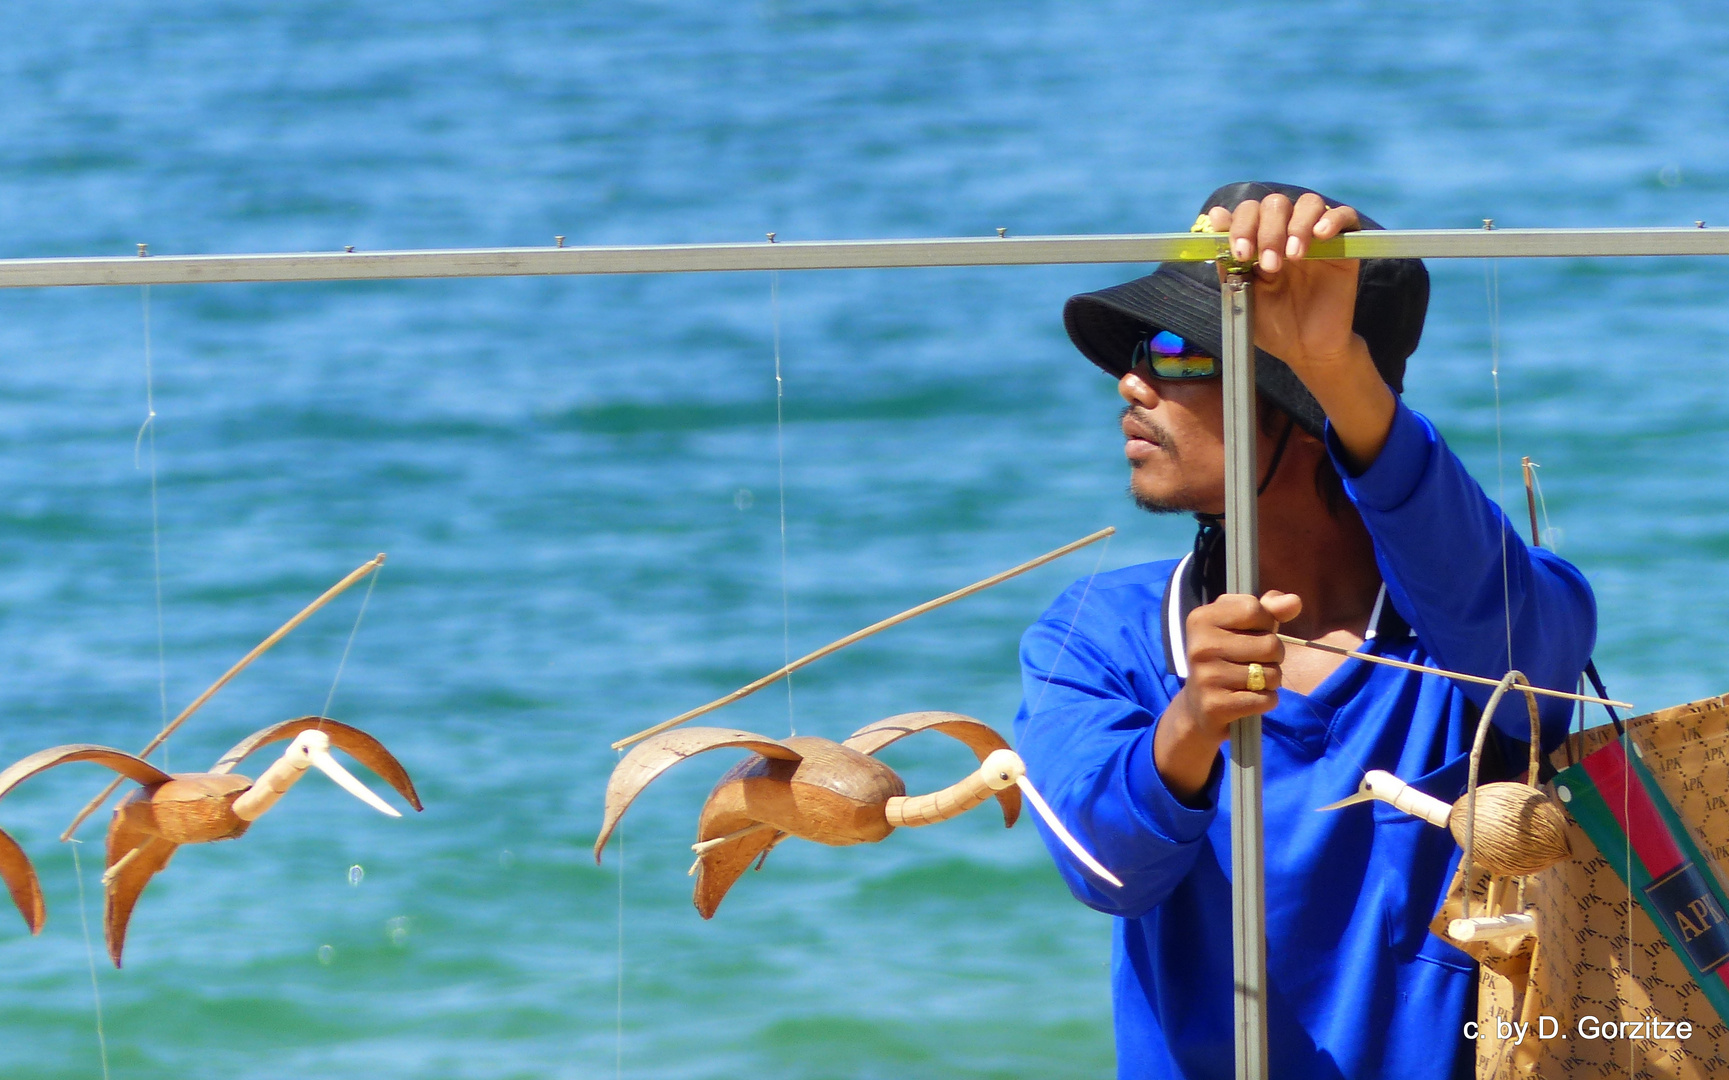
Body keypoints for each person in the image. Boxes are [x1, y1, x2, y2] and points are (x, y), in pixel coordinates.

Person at [1012, 181, 1596, 1080]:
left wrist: (1335, 365)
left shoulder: (1480, 628)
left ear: (1304, 408)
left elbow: (1527, 652)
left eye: (1176, 351)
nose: (1129, 381)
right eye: (1135, 350)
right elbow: (1107, 871)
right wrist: (1185, 729)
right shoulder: (1102, 633)